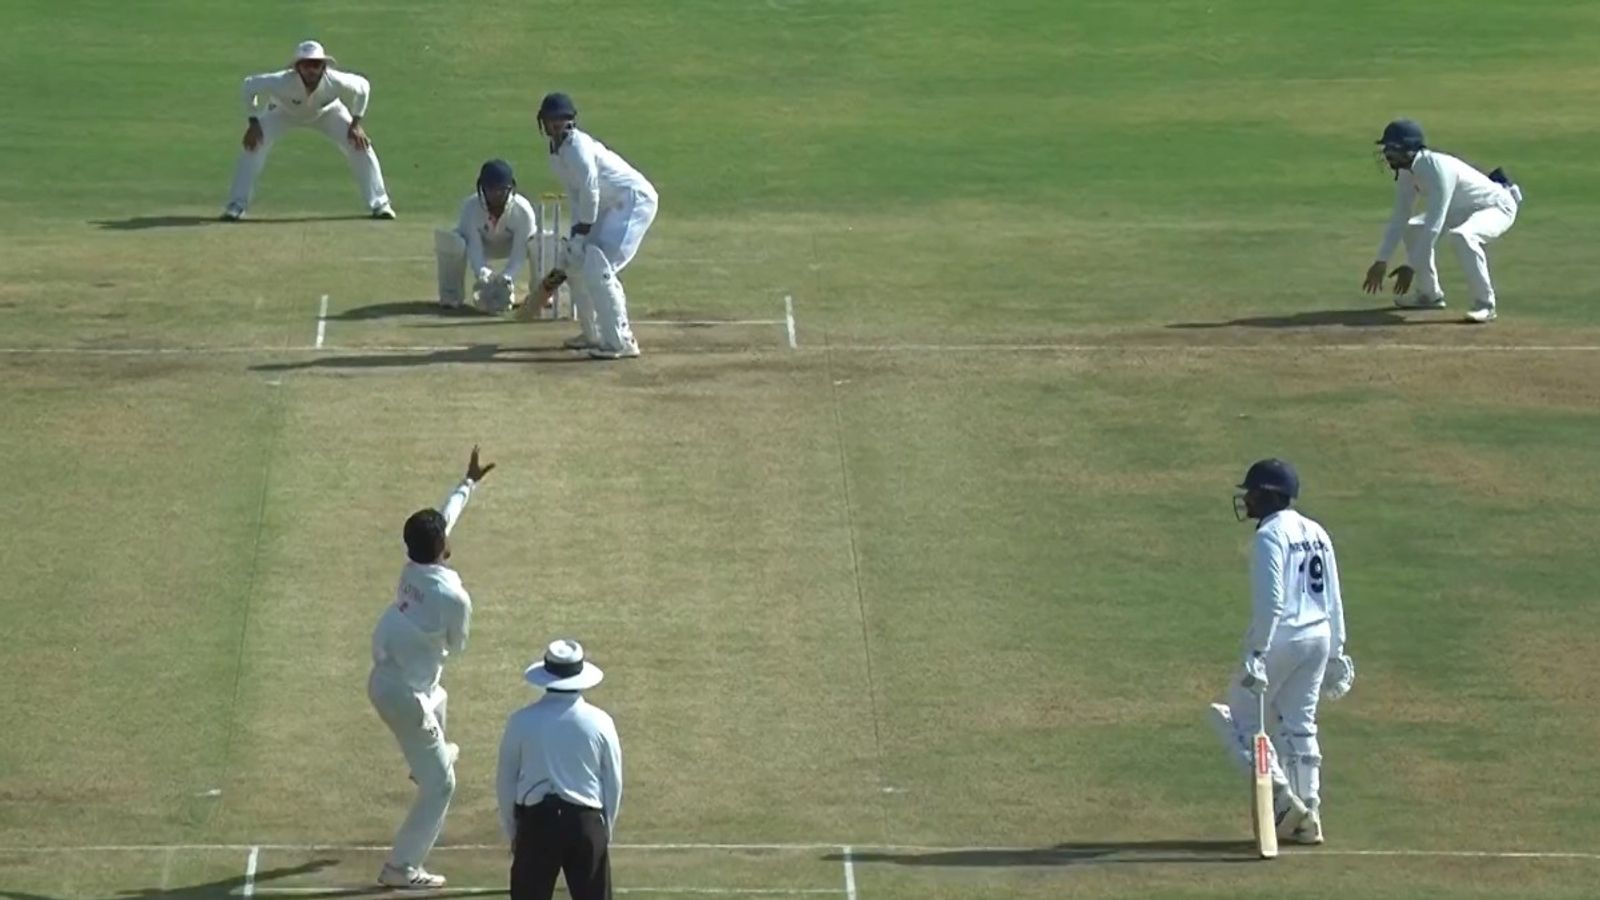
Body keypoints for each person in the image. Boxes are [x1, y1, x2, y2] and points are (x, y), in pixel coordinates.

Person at [1208, 459, 1354, 846]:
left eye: (1252, 492)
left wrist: (1256, 653)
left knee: (1234, 719)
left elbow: (1272, 602)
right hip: (1318, 638)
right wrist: (1337, 651)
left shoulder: (1269, 536)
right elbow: (1334, 596)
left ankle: (1283, 802)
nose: (1247, 499)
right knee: (1299, 725)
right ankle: (1311, 811)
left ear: (1269, 495)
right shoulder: (1317, 531)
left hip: (1283, 638)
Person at [368, 446, 495, 888]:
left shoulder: (412, 567)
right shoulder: (453, 597)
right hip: (404, 698)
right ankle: (401, 867)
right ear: (442, 548)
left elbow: (445, 517)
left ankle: (425, 761)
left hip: (390, 680)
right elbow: (458, 647)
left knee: (440, 695)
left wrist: (468, 482)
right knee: (442, 787)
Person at [533, 92, 658, 359]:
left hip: (633, 201)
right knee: (578, 263)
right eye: (550, 121)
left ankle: (621, 341)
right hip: (609, 206)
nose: (555, 126)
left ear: (570, 122)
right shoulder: (556, 154)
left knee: (599, 267)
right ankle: (593, 335)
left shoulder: (578, 147)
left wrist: (583, 231)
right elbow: (576, 196)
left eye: (560, 120)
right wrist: (575, 237)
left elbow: (590, 191)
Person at [1361, 118, 1521, 324]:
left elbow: (1434, 225)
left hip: (1496, 206)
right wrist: (1381, 260)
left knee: (1463, 236)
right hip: (1459, 209)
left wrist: (1410, 266)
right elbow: (1400, 216)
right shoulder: (1405, 172)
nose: (1386, 154)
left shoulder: (1436, 169)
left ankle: (1485, 304)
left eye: (1392, 148)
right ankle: (1429, 295)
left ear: (1408, 149)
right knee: (1412, 228)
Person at [497, 639, 622, 900]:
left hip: (536, 823)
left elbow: (506, 781)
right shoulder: (600, 722)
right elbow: (613, 781)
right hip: (585, 822)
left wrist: (515, 831)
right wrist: (603, 829)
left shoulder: (521, 721)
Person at [223, 40, 395, 221]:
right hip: (282, 112)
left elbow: (363, 87)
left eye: (316, 64)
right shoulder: (281, 81)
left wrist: (356, 124)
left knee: (361, 146)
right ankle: (236, 205)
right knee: (253, 146)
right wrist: (253, 122)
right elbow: (248, 85)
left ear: (323, 66)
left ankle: (380, 204)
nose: (312, 69)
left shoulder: (336, 80)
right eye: (306, 64)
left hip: (328, 113)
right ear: (297, 67)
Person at [435, 160, 539, 312]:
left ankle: (541, 293)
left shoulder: (523, 210)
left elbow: (520, 250)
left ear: (510, 188)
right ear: (482, 188)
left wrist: (507, 277)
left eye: (501, 190)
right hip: (484, 245)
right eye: (491, 189)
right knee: (454, 242)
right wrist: (483, 274)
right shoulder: (470, 208)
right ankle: (451, 295)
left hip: (510, 246)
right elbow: (474, 247)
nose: (496, 194)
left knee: (541, 242)